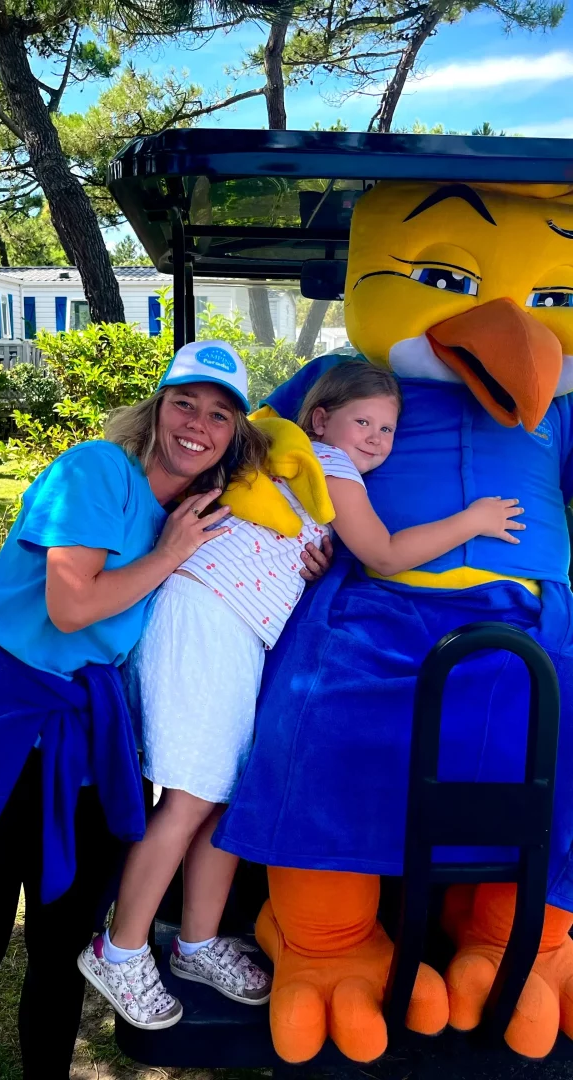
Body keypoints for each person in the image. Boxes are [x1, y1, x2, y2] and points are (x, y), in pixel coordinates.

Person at [79, 358, 524, 1030]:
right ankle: (120, 949)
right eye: (363, 421)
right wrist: (475, 520)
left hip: (230, 625)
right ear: (321, 420)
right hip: (207, 615)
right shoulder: (329, 463)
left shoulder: (311, 477)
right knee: (191, 800)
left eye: (389, 428)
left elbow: (303, 545)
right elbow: (384, 551)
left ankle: (197, 942)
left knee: (226, 794)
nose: (377, 438)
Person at [0, 339, 330, 1080]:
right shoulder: (97, 471)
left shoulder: (197, 516)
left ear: (236, 436)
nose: (198, 423)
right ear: (157, 409)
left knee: (63, 940)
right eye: (185, 402)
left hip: (93, 743)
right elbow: (72, 606)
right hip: (7, 733)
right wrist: (168, 555)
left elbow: (228, 605)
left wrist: (307, 564)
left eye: (220, 415)